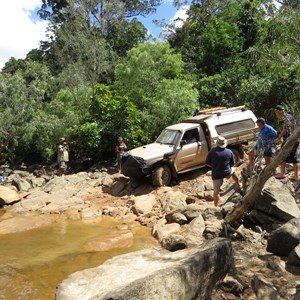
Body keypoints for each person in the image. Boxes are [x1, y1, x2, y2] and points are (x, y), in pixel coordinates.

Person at [205, 136, 242, 207]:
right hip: (227, 172)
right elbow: (232, 164)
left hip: (216, 174)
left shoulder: (212, 151)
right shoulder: (229, 152)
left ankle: (216, 206)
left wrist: (214, 167)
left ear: (217, 144)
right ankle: (238, 184)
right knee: (234, 170)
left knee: (216, 192)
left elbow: (207, 163)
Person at [274, 105, 299, 180]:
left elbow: (286, 129)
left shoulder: (287, 118)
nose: (276, 114)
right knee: (285, 156)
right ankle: (285, 173)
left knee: (288, 156)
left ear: (278, 111)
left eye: (276, 112)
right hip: (291, 140)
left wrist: (279, 137)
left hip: (291, 140)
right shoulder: (288, 116)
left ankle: (285, 174)